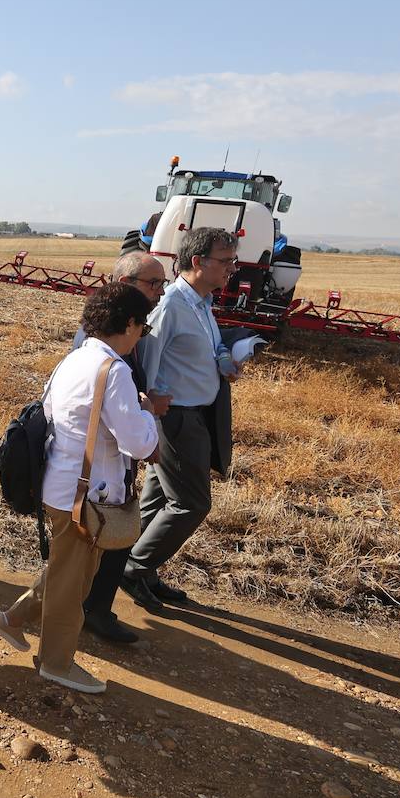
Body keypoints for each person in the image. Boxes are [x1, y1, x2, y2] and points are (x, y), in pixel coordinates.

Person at [0, 283, 158, 694]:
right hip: (88, 496)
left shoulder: (75, 359)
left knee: (70, 575)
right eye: (143, 328)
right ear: (130, 324)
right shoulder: (114, 371)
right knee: (70, 584)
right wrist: (149, 413)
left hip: (63, 486)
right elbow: (140, 443)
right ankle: (56, 664)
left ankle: (11, 620)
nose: (141, 336)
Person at [120, 227, 242, 612]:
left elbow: (208, 346)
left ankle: (139, 568)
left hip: (197, 415)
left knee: (156, 502)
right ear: (197, 262)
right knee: (191, 504)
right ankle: (134, 568)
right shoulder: (171, 305)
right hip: (174, 419)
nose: (232, 269)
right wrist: (149, 419)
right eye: (225, 261)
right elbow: (148, 366)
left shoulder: (202, 303)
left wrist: (225, 359)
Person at [77, 252, 171, 643]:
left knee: (103, 540)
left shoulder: (114, 334)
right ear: (124, 283)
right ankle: (88, 613)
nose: (159, 292)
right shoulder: (101, 343)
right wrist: (146, 412)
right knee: (102, 539)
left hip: (107, 459)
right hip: (102, 462)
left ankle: (90, 608)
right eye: (152, 284)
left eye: (162, 284)